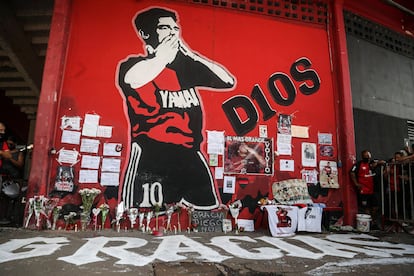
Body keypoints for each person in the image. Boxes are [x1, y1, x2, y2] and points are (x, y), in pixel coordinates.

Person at [117, 7, 235, 210]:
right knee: (146, 217)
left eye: (175, 28)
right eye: (164, 27)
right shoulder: (134, 65)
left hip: (191, 155)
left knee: (206, 214)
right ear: (146, 34)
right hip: (151, 155)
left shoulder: (185, 69)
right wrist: (162, 57)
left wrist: (192, 56)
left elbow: (227, 81)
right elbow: (133, 80)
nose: (172, 32)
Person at [350, 149, 385, 229]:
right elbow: (352, 173)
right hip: (364, 189)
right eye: (366, 157)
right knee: (366, 207)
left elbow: (379, 163)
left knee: (375, 207)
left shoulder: (372, 164)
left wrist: (379, 163)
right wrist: (356, 183)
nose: (368, 158)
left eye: (369, 157)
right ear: (362, 157)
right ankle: (370, 223)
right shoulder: (358, 165)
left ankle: (373, 221)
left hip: (373, 189)